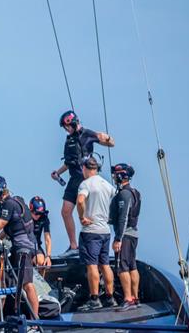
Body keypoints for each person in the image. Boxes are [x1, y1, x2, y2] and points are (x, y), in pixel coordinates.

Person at [52, 110, 115, 255]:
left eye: (67, 126)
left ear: (74, 123)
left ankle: (95, 245)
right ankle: (73, 246)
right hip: (73, 179)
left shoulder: (87, 134)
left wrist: (107, 137)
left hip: (85, 179)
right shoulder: (69, 140)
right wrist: (58, 172)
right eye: (64, 127)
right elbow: (69, 162)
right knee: (65, 211)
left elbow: (111, 143)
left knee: (89, 213)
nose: (66, 129)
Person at [0, 176, 40, 320]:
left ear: (0, 191)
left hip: (23, 249)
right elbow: (8, 229)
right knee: (3, 281)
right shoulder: (14, 201)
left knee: (27, 285)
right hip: (19, 247)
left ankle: (35, 321)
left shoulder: (9, 204)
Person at [76, 155, 117, 311]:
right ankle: (110, 297)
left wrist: (82, 217)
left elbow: (80, 200)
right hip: (105, 231)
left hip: (91, 231)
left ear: (86, 168)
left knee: (92, 265)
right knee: (105, 264)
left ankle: (94, 299)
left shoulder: (85, 184)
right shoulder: (107, 185)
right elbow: (115, 202)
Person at [109, 163, 142, 311]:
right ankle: (135, 298)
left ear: (121, 176)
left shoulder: (124, 194)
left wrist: (118, 239)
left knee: (122, 267)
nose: (114, 177)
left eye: (116, 175)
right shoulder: (136, 192)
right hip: (133, 234)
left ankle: (128, 299)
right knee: (132, 266)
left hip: (126, 235)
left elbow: (123, 218)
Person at [29, 196, 52, 273]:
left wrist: (48, 256)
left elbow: (47, 239)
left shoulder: (44, 218)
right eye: (36, 213)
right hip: (22, 246)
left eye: (40, 214)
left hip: (36, 246)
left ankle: (41, 283)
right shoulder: (23, 216)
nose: (38, 216)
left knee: (42, 263)